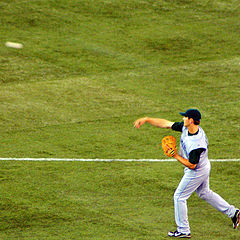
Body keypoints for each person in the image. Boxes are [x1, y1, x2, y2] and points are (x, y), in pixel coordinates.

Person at [134, 108, 239, 238]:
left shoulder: (197, 144)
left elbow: (191, 164)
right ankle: (234, 213)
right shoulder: (187, 128)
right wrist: (147, 119)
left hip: (197, 170)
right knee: (204, 193)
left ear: (191, 120)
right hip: (204, 165)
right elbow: (167, 124)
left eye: (185, 117)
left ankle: (183, 230)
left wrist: (175, 155)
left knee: (179, 197)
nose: (183, 119)